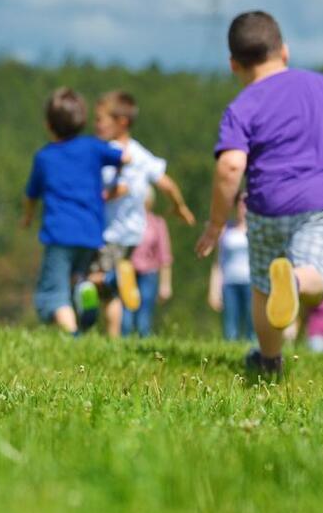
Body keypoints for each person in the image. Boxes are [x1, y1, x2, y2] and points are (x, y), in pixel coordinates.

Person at [195, 10, 323, 378]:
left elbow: (230, 166)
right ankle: (294, 282)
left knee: (263, 286)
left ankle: (269, 360)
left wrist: (216, 222)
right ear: (285, 51)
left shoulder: (241, 106)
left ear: (234, 65)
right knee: (315, 277)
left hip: (266, 208)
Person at [21, 88, 127, 335]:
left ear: (48, 125)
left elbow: (31, 196)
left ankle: (72, 334)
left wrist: (27, 218)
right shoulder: (93, 147)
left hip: (59, 234)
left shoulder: (44, 157)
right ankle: (89, 286)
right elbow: (123, 156)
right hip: (91, 232)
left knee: (51, 293)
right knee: (76, 278)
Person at [90, 90, 196, 337]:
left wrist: (100, 195)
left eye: (100, 119)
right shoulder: (141, 153)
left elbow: (115, 189)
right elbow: (167, 183)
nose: (95, 125)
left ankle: (115, 290)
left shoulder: (109, 152)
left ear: (121, 121)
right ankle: (119, 284)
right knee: (102, 286)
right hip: (132, 233)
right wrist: (180, 206)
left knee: (96, 282)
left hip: (110, 232)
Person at [122, 189, 172, 337]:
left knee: (144, 315)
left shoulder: (157, 223)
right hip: (127, 273)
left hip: (149, 274)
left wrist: (165, 284)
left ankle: (144, 345)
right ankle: (123, 345)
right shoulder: (126, 222)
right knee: (126, 316)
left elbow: (164, 256)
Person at [208, 192, 254, 341]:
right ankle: (230, 351)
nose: (243, 207)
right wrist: (214, 290)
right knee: (230, 324)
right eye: (240, 203)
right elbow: (218, 262)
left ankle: (253, 352)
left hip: (251, 283)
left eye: (246, 203)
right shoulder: (226, 230)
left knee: (251, 322)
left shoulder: (256, 229)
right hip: (229, 282)